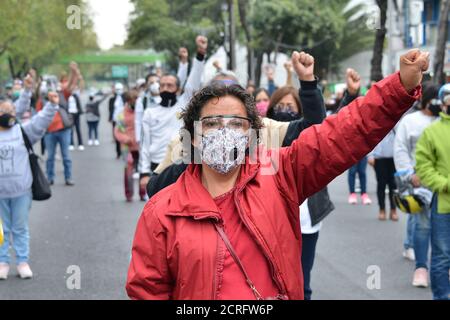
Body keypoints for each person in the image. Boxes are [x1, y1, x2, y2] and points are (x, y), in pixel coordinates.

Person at [126, 49, 428, 300]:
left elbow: (342, 134)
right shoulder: (162, 211)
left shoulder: (281, 174)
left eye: (236, 124)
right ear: (192, 136)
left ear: (251, 134)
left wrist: (399, 87)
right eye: (212, 123)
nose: (224, 132)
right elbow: (148, 291)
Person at [0, 91, 60, 280]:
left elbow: (41, 121)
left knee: (19, 227)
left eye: (10, 110)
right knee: (1, 230)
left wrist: (52, 105)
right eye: (2, 110)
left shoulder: (23, 131)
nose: (6, 114)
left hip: (21, 191)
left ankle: (22, 262)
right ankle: (2, 262)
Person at [138, 35, 208, 190]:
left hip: (179, 162)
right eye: (162, 85)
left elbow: (193, 80)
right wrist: (143, 172)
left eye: (170, 86)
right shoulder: (150, 112)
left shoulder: (183, 104)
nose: (165, 88)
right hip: (157, 166)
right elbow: (144, 143)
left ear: (177, 89)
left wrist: (200, 54)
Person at [394, 82, 441, 288]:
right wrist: (410, 174)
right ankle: (421, 267)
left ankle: (442, 267)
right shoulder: (410, 121)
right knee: (422, 225)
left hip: (443, 184)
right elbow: (401, 148)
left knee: (443, 228)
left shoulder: (444, 122)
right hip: (419, 182)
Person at [415, 89, 450, 300]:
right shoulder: (432, 131)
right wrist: (445, 184)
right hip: (443, 203)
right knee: (442, 256)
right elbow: (423, 165)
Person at [37, 81, 75, 186]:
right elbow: (38, 116)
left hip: (64, 130)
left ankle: (68, 177)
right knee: (50, 157)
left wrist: (74, 72)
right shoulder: (42, 101)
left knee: (66, 156)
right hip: (49, 132)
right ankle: (49, 178)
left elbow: (72, 85)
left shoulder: (62, 96)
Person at [114, 90, 146, 202]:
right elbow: (117, 131)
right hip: (127, 147)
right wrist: (125, 138)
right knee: (128, 169)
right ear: (128, 101)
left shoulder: (143, 111)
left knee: (143, 169)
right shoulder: (121, 114)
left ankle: (143, 193)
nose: (135, 102)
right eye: (133, 100)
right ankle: (129, 194)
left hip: (141, 146)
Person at [368, 130, 398, 221]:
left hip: (393, 159)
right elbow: (370, 139)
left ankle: (393, 210)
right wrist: (370, 156)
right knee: (381, 184)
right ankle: (382, 210)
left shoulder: (396, 125)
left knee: (393, 185)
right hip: (379, 158)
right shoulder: (378, 123)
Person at [134, 73, 161, 144]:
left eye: (157, 81)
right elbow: (138, 120)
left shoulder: (166, 97)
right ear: (147, 85)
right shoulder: (142, 100)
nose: (155, 84)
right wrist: (138, 139)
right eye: (151, 83)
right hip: (148, 138)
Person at [109, 83, 125, 159]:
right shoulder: (112, 99)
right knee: (117, 136)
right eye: (117, 89)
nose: (118, 91)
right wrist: (110, 118)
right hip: (116, 119)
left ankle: (124, 152)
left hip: (124, 120)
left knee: (124, 136)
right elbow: (111, 109)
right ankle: (118, 153)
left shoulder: (125, 98)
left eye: (120, 89)